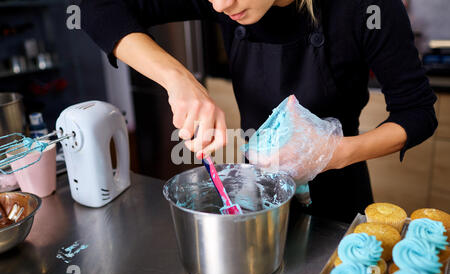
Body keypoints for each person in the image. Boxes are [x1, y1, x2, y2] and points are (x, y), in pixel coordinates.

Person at [80, 0, 437, 223]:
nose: (219, 5)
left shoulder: (364, 8)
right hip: (257, 202)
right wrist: (178, 79)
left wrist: (335, 153)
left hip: (339, 204)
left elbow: (417, 112)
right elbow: (95, 7)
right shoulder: (224, 1)